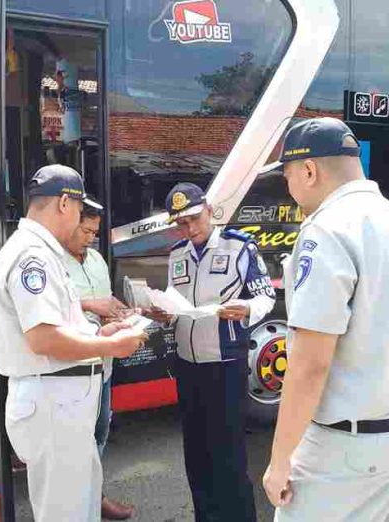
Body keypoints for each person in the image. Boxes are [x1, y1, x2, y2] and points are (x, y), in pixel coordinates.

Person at [263, 118, 389, 521]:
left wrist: (280, 460)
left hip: (349, 451)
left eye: (288, 175)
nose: (288, 189)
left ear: (309, 171)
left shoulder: (326, 230)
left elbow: (310, 365)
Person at [0, 164, 147, 522]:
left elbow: (58, 325)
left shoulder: (43, 251)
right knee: (66, 513)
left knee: (81, 506)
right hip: (54, 406)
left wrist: (98, 334)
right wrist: (110, 348)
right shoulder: (34, 255)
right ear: (64, 203)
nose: (80, 221)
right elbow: (43, 337)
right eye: (79, 210)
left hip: (63, 405)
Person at [148, 182, 275, 522]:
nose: (189, 228)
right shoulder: (178, 254)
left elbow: (265, 296)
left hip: (225, 365)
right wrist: (164, 312)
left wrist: (247, 309)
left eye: (193, 218)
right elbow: (176, 303)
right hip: (188, 367)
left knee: (228, 455)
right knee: (197, 454)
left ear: (208, 209)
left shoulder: (239, 248)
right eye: (181, 223)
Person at [64, 199, 136, 520]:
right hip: (72, 371)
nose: (91, 237)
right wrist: (93, 305)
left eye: (95, 231)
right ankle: (75, 505)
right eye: (86, 230)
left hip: (102, 367)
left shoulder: (96, 260)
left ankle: (95, 496)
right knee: (74, 441)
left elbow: (106, 302)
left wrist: (125, 312)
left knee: (100, 434)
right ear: (70, 224)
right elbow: (50, 311)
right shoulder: (51, 262)